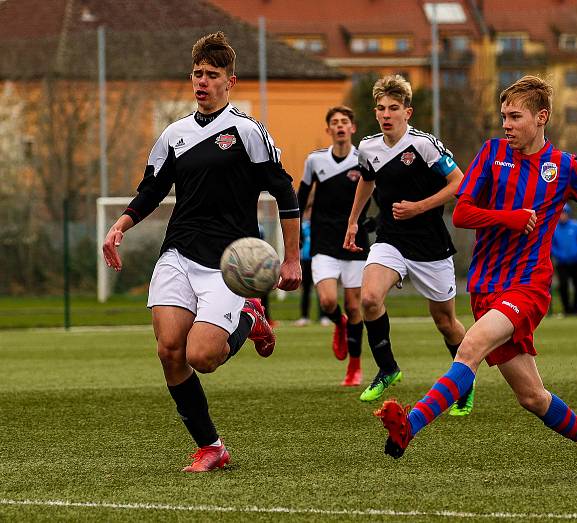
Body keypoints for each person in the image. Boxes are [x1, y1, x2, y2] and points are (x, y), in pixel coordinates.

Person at [374, 74, 577, 475]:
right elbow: (461, 213)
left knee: (468, 349)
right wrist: (509, 218)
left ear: (541, 117)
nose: (506, 125)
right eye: (503, 117)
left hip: (527, 287)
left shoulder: (564, 167)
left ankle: (410, 425)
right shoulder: (492, 153)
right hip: (485, 289)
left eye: (514, 117)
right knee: (533, 397)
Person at [102, 32, 301, 473]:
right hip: (179, 254)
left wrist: (292, 258)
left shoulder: (248, 131)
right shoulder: (175, 134)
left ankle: (250, 313)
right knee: (170, 351)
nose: (202, 82)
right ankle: (211, 447)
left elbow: (284, 191)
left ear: (231, 81)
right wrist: (122, 224)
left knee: (201, 357)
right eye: (197, 74)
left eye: (212, 75)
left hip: (231, 263)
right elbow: (152, 189)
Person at [344, 75, 473, 415]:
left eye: (394, 108)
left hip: (431, 244)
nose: (387, 115)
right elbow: (367, 182)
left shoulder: (425, 145)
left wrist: (419, 207)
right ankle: (388, 368)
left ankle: (465, 383)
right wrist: (353, 221)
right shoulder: (368, 147)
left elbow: (460, 183)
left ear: (408, 112)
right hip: (391, 238)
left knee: (446, 322)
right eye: (382, 109)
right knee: (368, 298)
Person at [297, 106, 369, 386]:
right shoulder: (315, 161)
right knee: (327, 300)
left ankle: (354, 366)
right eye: (335, 123)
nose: (340, 126)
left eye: (345, 122)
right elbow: (301, 198)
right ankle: (338, 325)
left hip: (354, 243)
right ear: (328, 130)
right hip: (323, 241)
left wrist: (373, 221)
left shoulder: (364, 160)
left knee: (354, 306)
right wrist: (296, 236)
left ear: (353, 128)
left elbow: (377, 191)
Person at [551, 203, 577, 315]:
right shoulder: (554, 228)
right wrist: (559, 255)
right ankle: (567, 309)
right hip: (562, 263)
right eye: (561, 213)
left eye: (564, 213)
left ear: (568, 214)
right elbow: (551, 245)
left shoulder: (576, 226)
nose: (562, 215)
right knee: (563, 285)